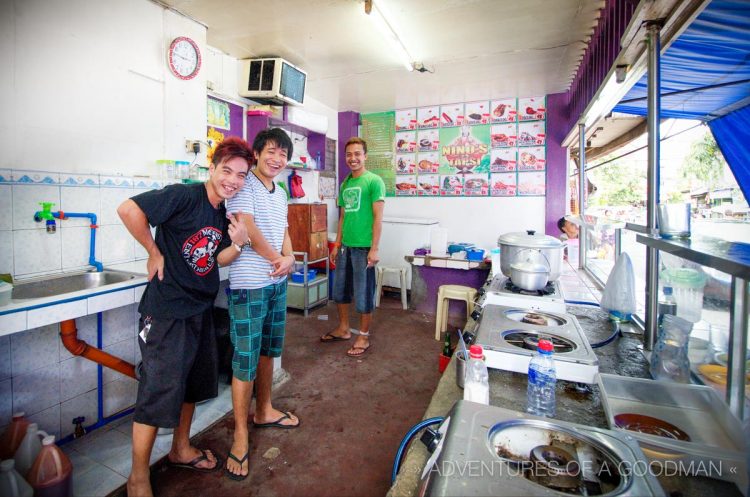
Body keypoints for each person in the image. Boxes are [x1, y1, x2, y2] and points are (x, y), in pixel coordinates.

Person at [117, 137, 253, 497]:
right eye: (227, 171)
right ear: (212, 168)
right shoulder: (184, 195)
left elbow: (218, 259)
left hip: (199, 310)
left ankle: (180, 449)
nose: (233, 180)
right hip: (166, 312)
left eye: (241, 175)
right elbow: (128, 209)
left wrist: (238, 243)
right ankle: (138, 477)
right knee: (157, 393)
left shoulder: (222, 213)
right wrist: (153, 251)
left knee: (192, 387)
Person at [223, 128, 299, 480]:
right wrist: (277, 260)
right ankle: (240, 433)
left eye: (283, 153)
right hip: (249, 285)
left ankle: (264, 410)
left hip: (276, 282)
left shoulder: (280, 191)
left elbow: (282, 228)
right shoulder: (244, 186)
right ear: (256, 153)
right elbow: (249, 230)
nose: (277, 159)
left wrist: (290, 255)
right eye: (271, 151)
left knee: (269, 350)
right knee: (245, 358)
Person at [320, 137, 385, 357]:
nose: (353, 158)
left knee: (364, 292)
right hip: (345, 247)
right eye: (349, 154)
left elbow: (378, 218)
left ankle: (364, 336)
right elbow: (342, 218)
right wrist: (337, 244)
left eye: (357, 154)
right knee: (340, 290)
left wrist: (374, 248)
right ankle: (344, 328)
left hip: (364, 248)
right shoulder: (346, 183)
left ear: (365, 156)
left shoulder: (374, 181)